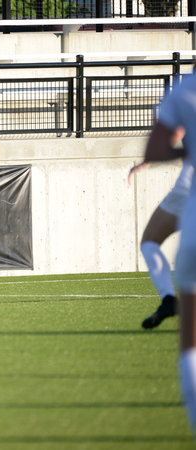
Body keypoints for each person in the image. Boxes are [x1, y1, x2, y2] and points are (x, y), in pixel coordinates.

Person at [142, 72, 196, 432]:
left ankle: (167, 297)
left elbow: (159, 146)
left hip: (190, 192)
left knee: (149, 241)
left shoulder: (186, 88)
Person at [129, 133, 193, 330]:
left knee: (150, 242)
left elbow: (171, 134)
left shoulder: (185, 110)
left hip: (188, 187)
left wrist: (148, 160)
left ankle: (168, 299)